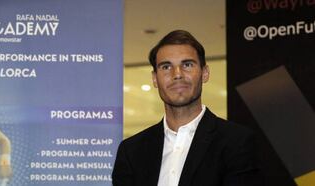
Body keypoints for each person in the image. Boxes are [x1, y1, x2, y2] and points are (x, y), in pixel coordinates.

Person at [112, 30, 263, 186]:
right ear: (154, 79)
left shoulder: (237, 142)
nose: (177, 74)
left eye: (187, 65)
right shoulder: (131, 151)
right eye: (166, 67)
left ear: (205, 73)